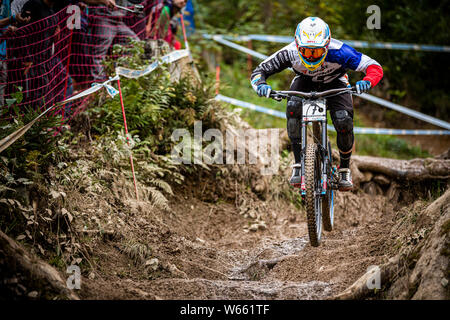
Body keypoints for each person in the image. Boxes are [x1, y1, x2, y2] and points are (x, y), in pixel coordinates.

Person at [250, 17, 383, 191]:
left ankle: (344, 168)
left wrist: (367, 81)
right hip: (305, 82)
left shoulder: (340, 51)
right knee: (292, 108)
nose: (311, 57)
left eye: (317, 52)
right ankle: (298, 164)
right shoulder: (289, 52)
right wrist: (261, 85)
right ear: (297, 45)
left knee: (343, 120)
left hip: (336, 83)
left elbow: (374, 67)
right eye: (306, 52)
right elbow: (259, 72)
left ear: (326, 46)